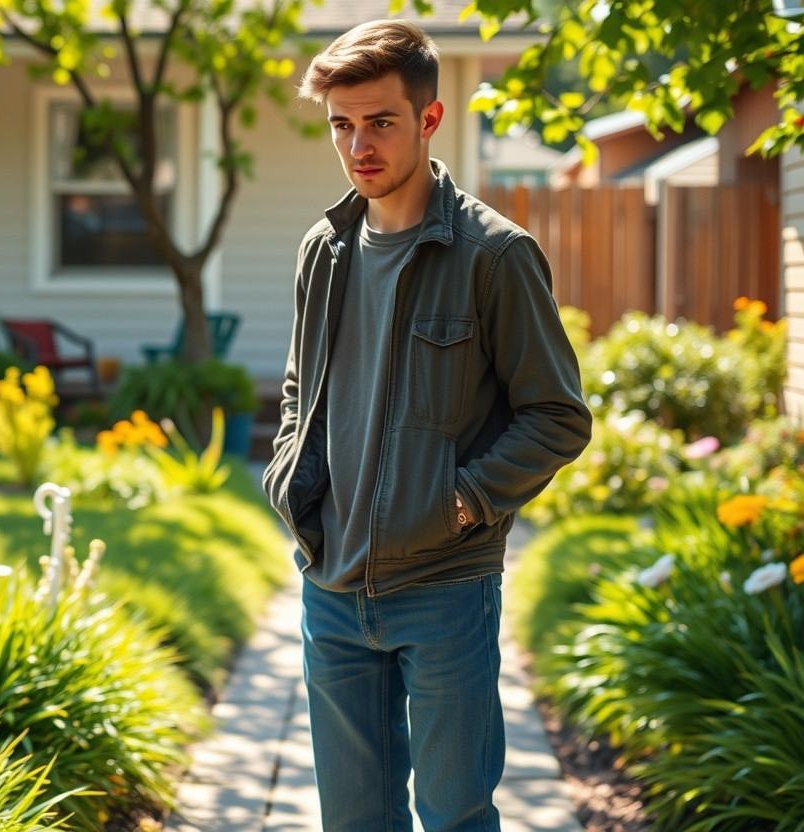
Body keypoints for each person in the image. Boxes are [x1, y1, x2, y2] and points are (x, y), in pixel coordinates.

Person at [260, 19, 592, 832]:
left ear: (429, 118)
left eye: (380, 122)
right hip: (332, 587)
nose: (358, 146)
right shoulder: (323, 250)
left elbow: (557, 415)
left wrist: (465, 500)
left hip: (445, 590)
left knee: (455, 818)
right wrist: (288, 473)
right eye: (341, 124)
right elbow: (303, 386)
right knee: (354, 821)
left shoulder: (494, 256)